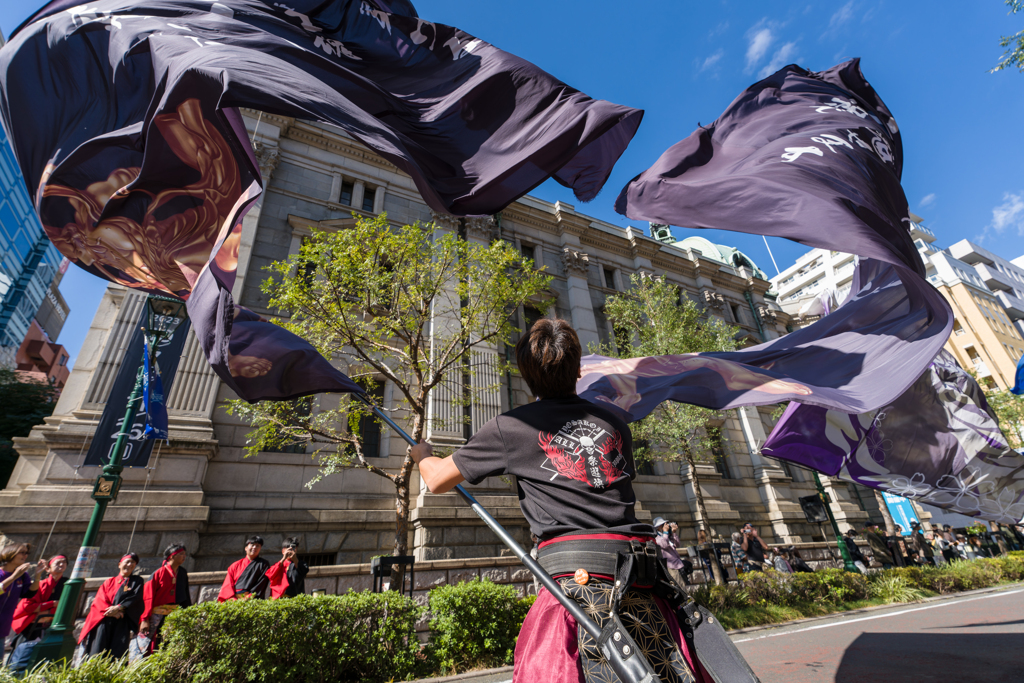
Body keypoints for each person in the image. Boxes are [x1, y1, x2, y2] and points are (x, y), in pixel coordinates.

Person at [408, 319, 710, 683]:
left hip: (573, 592)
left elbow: (437, 478)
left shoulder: (512, 427)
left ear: (525, 374)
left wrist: (423, 453)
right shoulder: (615, 423)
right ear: (579, 369)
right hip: (642, 586)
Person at [78, 553, 145, 660]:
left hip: (122, 621)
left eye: (133, 562)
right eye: (127, 561)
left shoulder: (137, 581)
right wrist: (113, 611)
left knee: (117, 653)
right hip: (104, 620)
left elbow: (136, 598)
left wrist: (120, 607)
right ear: (119, 564)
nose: (129, 564)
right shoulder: (109, 582)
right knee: (98, 650)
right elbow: (99, 600)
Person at [7, 555, 67, 673]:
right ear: (47, 569)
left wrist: (47, 613)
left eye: (64, 562)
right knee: (20, 657)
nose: (62, 565)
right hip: (31, 627)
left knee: (45, 660)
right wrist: (52, 604)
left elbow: (67, 606)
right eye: (58, 562)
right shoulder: (40, 585)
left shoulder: (67, 584)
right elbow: (27, 606)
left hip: (51, 626)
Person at [139, 544, 192, 653]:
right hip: (156, 614)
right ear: (172, 556)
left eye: (185, 554)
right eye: (181, 554)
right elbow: (147, 597)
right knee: (150, 643)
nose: (184, 556)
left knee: (169, 642)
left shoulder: (182, 573)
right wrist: (145, 619)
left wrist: (188, 613)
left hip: (174, 613)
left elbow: (185, 595)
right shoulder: (158, 573)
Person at [0, 544, 46, 657]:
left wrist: (37, 576)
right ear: (10, 553)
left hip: (3, 625)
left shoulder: (22, 575)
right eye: (22, 552)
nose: (25, 556)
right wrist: (13, 577)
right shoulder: (9, 574)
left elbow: (29, 593)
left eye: (27, 553)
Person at [218, 536, 271, 601]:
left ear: (260, 548)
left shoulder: (263, 564)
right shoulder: (235, 565)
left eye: (258, 546)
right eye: (252, 545)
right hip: (234, 599)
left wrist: (249, 597)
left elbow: (261, 584)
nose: (254, 547)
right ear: (245, 548)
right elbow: (228, 584)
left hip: (251, 599)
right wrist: (232, 599)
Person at [653, 518, 692, 588]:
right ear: (659, 527)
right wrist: (665, 532)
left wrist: (674, 533)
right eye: (664, 524)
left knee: (684, 585)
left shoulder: (667, 535)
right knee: (679, 587)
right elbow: (664, 545)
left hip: (677, 564)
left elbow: (677, 544)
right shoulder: (657, 537)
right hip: (670, 566)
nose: (667, 526)